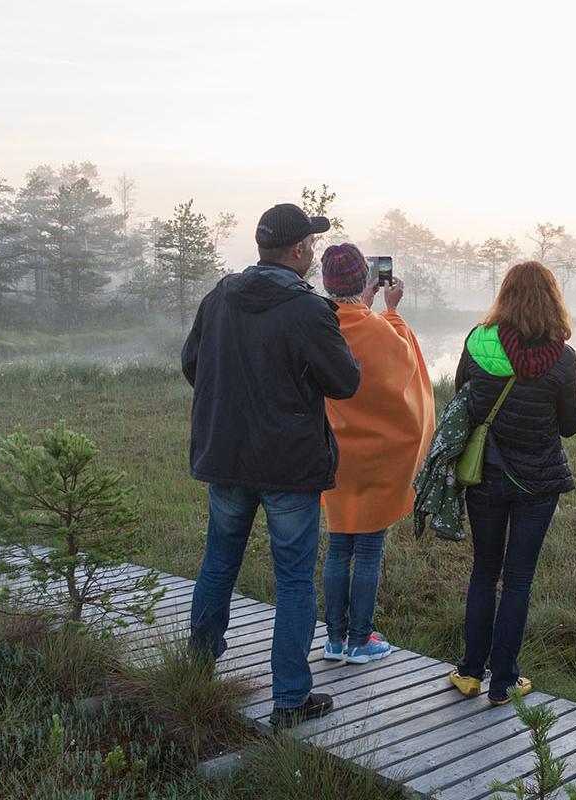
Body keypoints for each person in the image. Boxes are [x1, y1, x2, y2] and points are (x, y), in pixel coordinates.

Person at [181, 203, 360, 728]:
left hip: (226, 458)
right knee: (294, 582)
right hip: (290, 468)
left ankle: (196, 669)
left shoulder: (219, 297)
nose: (312, 250)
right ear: (300, 251)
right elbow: (345, 382)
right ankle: (290, 701)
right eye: (311, 244)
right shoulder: (309, 311)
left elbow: (192, 364)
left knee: (218, 563)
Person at [446, 261, 576, 706]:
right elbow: (571, 426)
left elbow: (461, 401)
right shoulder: (563, 358)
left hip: (484, 475)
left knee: (484, 570)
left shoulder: (477, 343)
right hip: (537, 483)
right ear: (552, 300)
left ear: (504, 296)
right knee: (518, 579)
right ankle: (504, 682)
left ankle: (469, 673)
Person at [316, 243, 436, 666]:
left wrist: (363, 305)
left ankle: (333, 640)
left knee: (338, 548)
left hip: (335, 459)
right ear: (364, 280)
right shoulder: (381, 329)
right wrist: (391, 307)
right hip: (379, 463)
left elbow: (349, 325)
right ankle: (360, 639)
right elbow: (403, 359)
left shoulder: (319, 326)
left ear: (326, 283)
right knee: (367, 551)